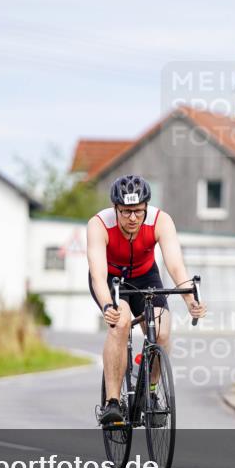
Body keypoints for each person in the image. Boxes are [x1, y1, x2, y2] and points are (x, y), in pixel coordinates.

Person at [87, 175, 206, 424]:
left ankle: (150, 393)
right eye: (126, 212)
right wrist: (108, 305)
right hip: (112, 279)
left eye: (138, 211)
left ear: (146, 207)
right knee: (120, 324)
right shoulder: (99, 224)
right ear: (115, 208)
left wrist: (189, 300)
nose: (133, 218)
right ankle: (112, 402)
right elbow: (97, 274)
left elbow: (175, 266)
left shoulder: (161, 220)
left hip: (145, 276)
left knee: (162, 332)